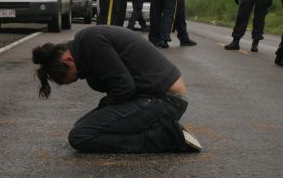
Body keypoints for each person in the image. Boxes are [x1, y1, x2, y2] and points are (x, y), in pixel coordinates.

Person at [32, 26, 202, 153]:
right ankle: (155, 128)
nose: (66, 82)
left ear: (68, 59)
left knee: (81, 136)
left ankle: (166, 138)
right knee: (82, 127)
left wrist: (104, 106)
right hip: (152, 98)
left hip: (165, 101)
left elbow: (124, 89)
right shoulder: (86, 44)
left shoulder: (90, 40)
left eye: (64, 78)